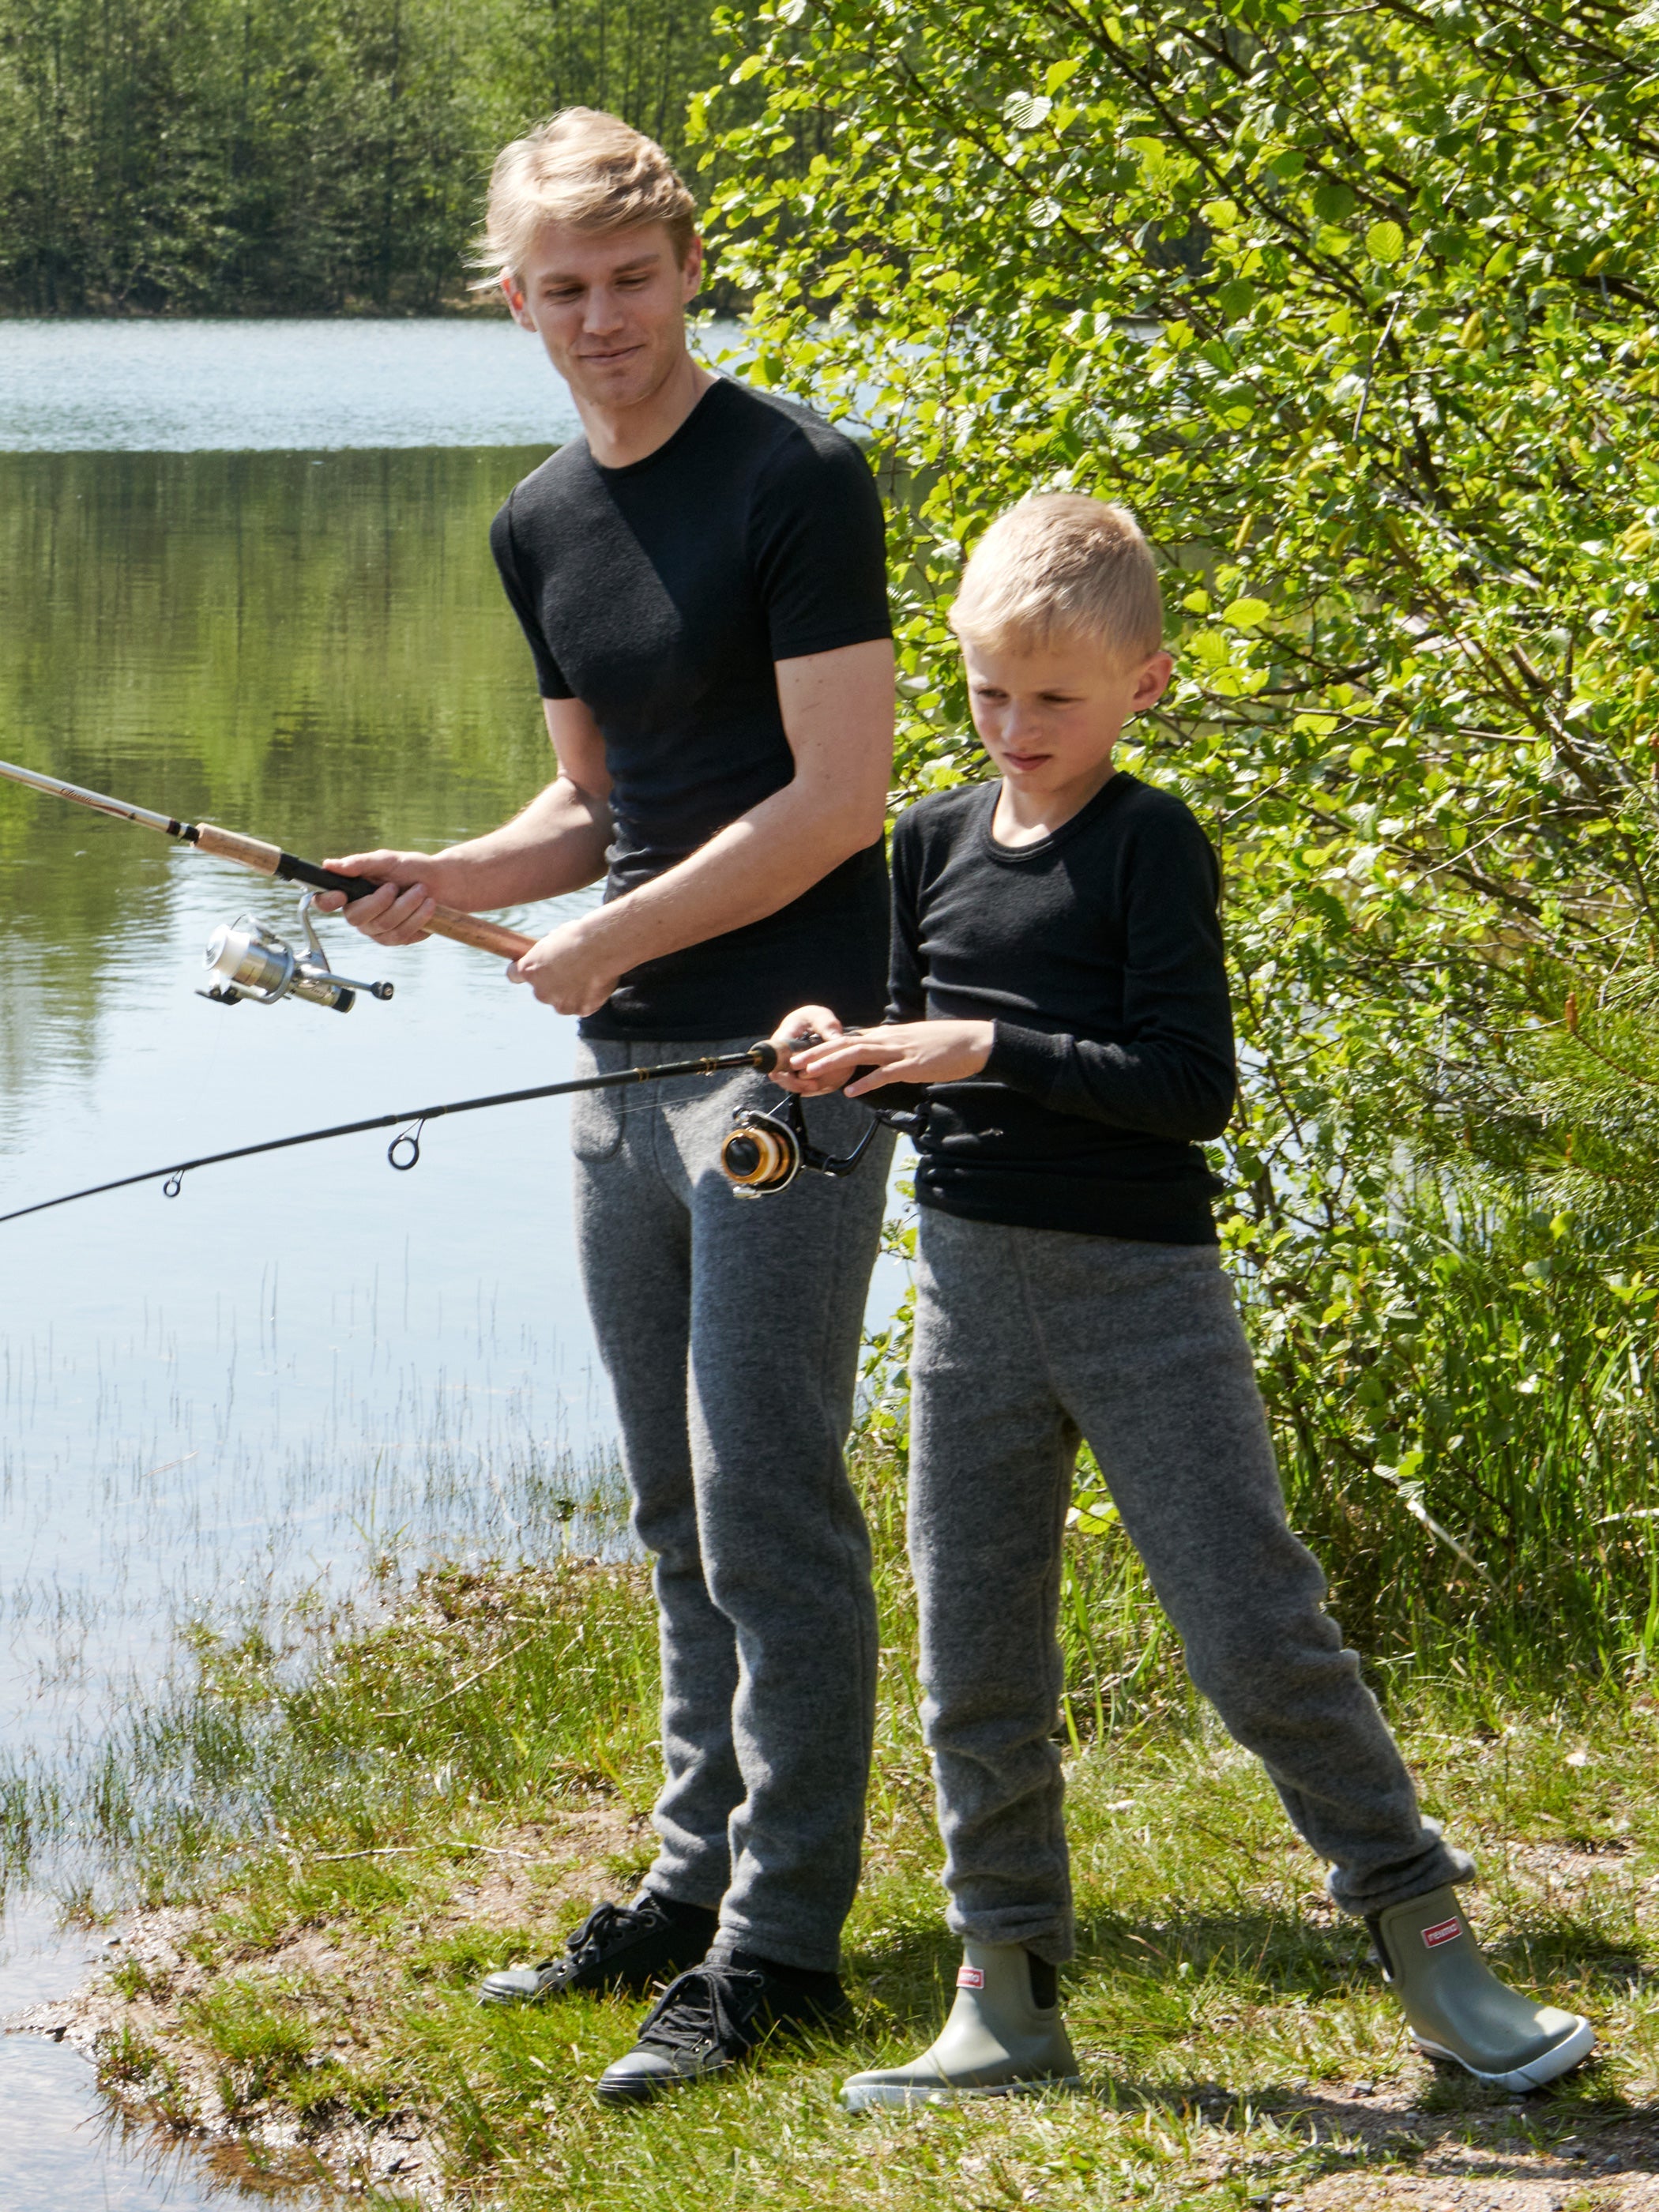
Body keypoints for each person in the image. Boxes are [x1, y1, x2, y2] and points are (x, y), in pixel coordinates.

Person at [770, 493, 1596, 2108]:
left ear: (1142, 684)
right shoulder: (928, 843)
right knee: (974, 1655)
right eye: (991, 694)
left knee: (1253, 1629)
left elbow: (1189, 1086)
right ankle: (1003, 1986)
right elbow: (894, 1042)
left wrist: (987, 1046)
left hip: (1142, 1293)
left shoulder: (1154, 844)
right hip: (967, 1300)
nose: (1017, 729)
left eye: (1055, 700)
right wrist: (835, 1040)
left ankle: (1441, 1962)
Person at [319, 108, 896, 2105]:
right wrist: (456, 884)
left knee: (770, 1487)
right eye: (560, 291)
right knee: (671, 1491)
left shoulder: (800, 475)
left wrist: (611, 929)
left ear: (687, 267)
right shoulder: (539, 520)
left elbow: (835, 799)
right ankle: (687, 1880)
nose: (602, 320)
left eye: (630, 279)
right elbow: (593, 801)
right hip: (623, 1058)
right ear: (514, 302)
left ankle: (789, 1942)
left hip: (793, 1054)